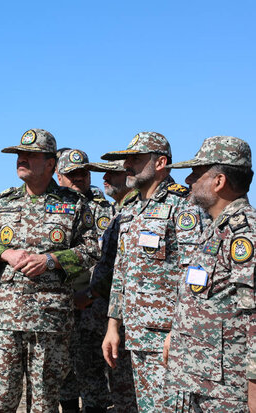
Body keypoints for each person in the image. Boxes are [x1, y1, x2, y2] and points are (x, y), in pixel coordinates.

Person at [0, 129, 100, 412]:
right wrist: (6, 253)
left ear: (50, 164)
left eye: (30, 155)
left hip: (50, 321)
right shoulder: (3, 202)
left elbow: (92, 249)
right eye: (19, 155)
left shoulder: (74, 204)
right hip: (5, 319)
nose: (21, 159)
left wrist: (51, 261)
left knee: (44, 402)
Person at [100, 132, 205, 412]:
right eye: (127, 159)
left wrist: (179, 329)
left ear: (160, 163)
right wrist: (112, 326)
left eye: (136, 158)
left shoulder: (183, 205)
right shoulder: (130, 209)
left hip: (167, 339)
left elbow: (195, 271)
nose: (127, 165)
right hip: (133, 337)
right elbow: (120, 272)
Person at [162, 136, 255, 412]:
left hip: (227, 391)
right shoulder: (215, 229)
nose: (189, 180)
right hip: (199, 380)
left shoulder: (244, 233)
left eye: (197, 173)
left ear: (219, 182)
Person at [74, 159, 139, 413]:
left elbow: (121, 270)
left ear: (129, 175)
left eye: (112, 173)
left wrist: (90, 293)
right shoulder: (119, 211)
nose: (105, 179)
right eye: (103, 174)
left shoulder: (134, 212)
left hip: (121, 317)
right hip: (102, 314)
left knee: (126, 391)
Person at [55, 149, 114, 413]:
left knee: (93, 373)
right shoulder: (52, 206)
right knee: (63, 373)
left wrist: (92, 295)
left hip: (95, 303)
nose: (78, 178)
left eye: (83, 173)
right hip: (60, 302)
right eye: (71, 174)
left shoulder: (107, 209)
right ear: (58, 175)